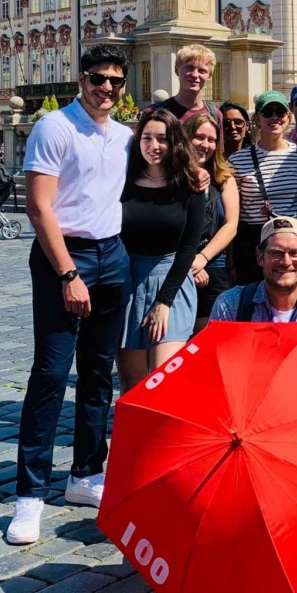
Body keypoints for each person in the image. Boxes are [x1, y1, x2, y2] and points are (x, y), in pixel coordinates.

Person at [11, 46, 135, 546]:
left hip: (112, 256)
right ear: (81, 79)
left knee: (99, 373)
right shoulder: (54, 127)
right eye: (99, 79)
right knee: (51, 373)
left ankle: (85, 473)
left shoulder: (124, 136)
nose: (107, 88)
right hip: (67, 256)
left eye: (116, 81)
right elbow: (39, 208)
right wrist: (67, 274)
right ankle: (29, 494)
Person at [117, 108, 205, 390]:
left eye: (162, 139)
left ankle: (168, 435)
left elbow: (188, 248)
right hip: (129, 281)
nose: (154, 146)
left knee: (165, 378)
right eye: (147, 138)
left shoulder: (190, 184)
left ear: (174, 142)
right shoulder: (122, 183)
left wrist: (164, 302)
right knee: (133, 382)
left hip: (172, 281)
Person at [211, 216, 297, 341]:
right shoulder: (231, 305)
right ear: (260, 257)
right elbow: (211, 362)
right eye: (276, 253)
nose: (286, 261)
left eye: (295, 253)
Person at [229, 91, 297, 286]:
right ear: (258, 118)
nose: (275, 117)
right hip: (254, 243)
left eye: (280, 112)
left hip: (295, 241)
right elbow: (232, 217)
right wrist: (231, 262)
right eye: (268, 112)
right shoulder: (237, 161)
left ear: (288, 117)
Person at [184, 111, 238, 333]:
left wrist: (202, 259)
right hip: (177, 266)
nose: (205, 144)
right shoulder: (170, 176)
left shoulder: (224, 178)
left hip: (213, 266)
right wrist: (189, 262)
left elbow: (231, 224)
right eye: (199, 137)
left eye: (212, 139)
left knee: (208, 340)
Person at [152, 45, 225, 129]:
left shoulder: (215, 115)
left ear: (210, 76)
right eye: (189, 68)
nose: (195, 75)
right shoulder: (155, 112)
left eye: (202, 70)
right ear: (176, 70)